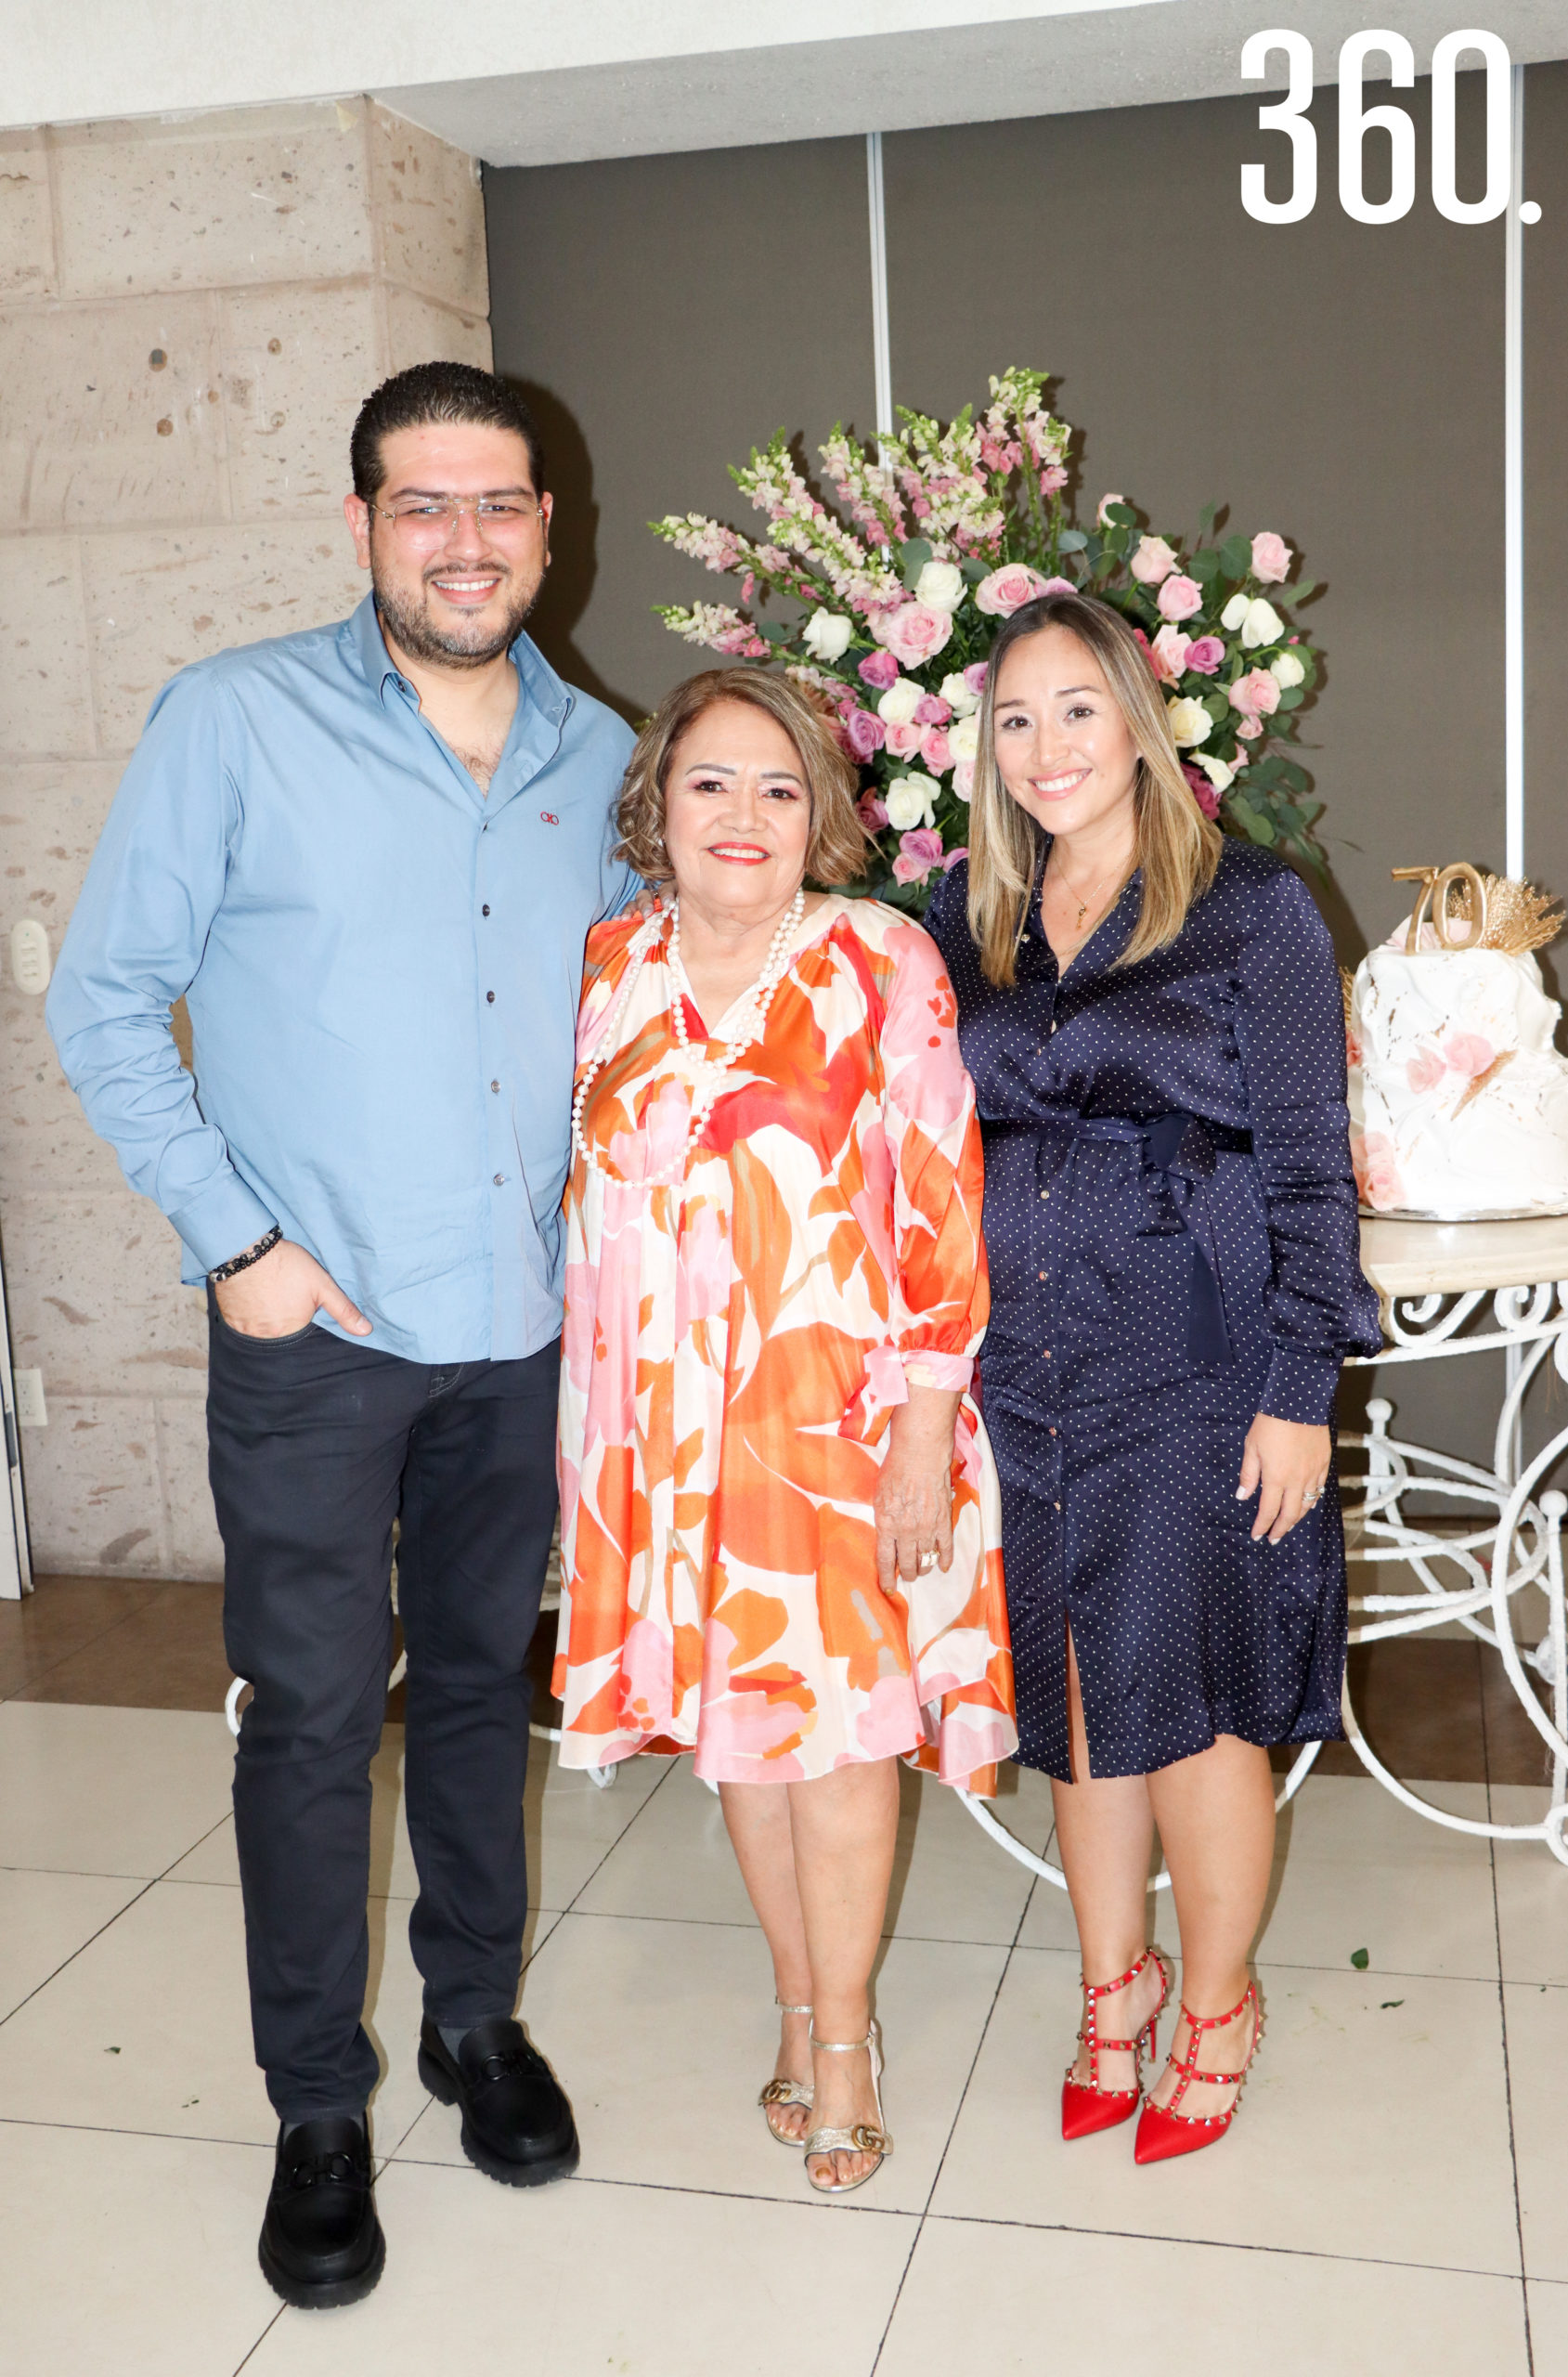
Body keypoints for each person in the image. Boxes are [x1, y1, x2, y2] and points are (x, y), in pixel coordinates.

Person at [47, 361, 637, 2305]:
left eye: (499, 502)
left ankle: (475, 2017)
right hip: (313, 1328)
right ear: (363, 523)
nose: (464, 539)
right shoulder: (235, 720)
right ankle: (316, 2102)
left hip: (519, 1318)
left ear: (547, 525)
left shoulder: (599, 754)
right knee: (309, 1721)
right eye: (421, 503)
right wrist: (239, 1241)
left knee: (478, 1687)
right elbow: (107, 999)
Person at [926, 591, 1380, 2163]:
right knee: (1072, 1694)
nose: (1047, 747)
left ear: (1138, 716)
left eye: (1076, 708)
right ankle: (1110, 1993)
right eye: (1014, 718)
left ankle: (1218, 2005)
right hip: (1021, 1366)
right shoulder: (960, 917)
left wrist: (1297, 1380)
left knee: (1189, 1707)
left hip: (1199, 1361)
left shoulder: (1251, 905)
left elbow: (1312, 1167)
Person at [553, 669, 1017, 2194]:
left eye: (775, 787)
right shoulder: (610, 961)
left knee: (840, 1746)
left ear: (820, 809)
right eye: (709, 785)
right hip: (657, 1434)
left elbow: (945, 1207)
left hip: (838, 1422)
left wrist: (921, 1436)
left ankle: (846, 2041)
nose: (742, 817)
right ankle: (796, 1996)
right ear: (659, 808)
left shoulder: (881, 960)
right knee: (740, 1742)